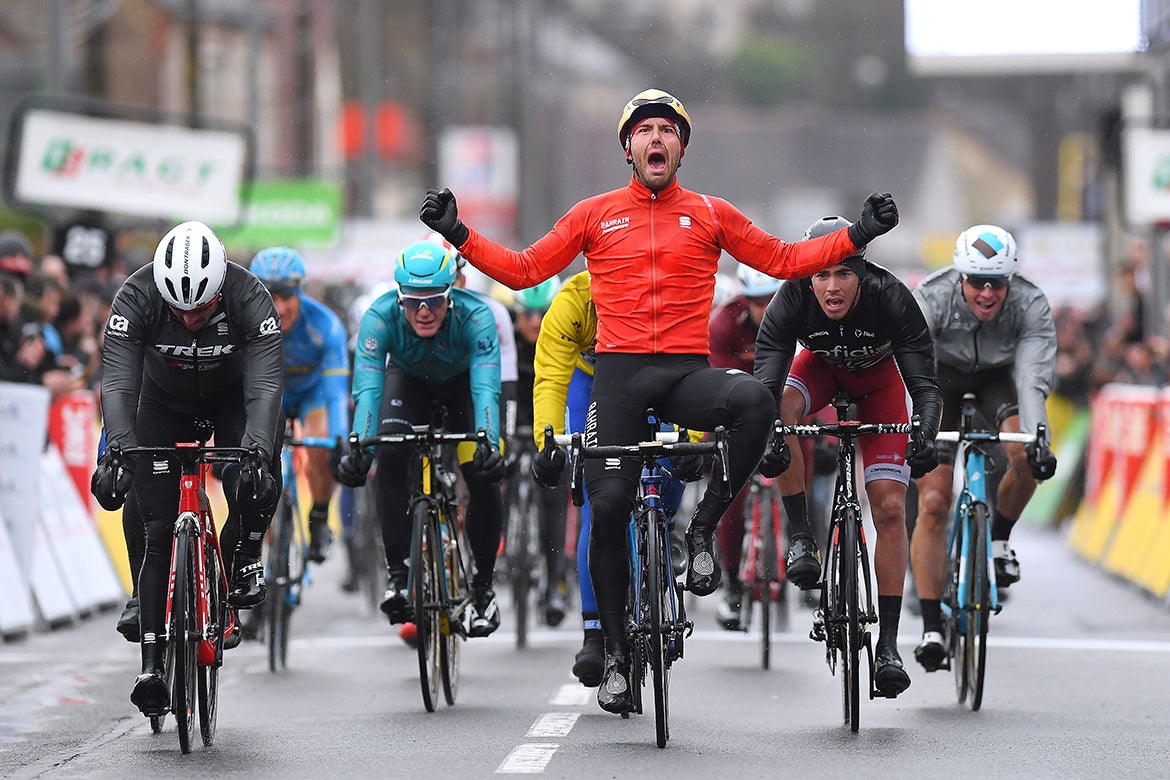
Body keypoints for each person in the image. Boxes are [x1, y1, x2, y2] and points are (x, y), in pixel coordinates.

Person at [419, 87, 900, 713]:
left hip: (684, 376)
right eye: (644, 130)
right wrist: (457, 231)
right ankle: (616, 653)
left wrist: (857, 234)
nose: (655, 138)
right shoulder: (594, 214)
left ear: (681, 147)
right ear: (627, 148)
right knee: (608, 505)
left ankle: (700, 532)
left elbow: (784, 259)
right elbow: (524, 269)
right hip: (616, 381)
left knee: (758, 401)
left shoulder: (708, 212)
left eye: (668, 131)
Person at [90, 220, 284, 715]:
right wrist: (116, 451)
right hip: (159, 401)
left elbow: (265, 389)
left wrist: (258, 450)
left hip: (232, 399)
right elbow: (115, 385)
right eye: (179, 309)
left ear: (220, 290)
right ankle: (152, 666)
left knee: (254, 478)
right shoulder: (136, 297)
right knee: (154, 520)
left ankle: (245, 553)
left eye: (200, 308)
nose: (190, 317)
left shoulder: (249, 297)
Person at [753, 215, 942, 698]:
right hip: (818, 371)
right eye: (822, 275)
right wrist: (771, 434)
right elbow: (766, 382)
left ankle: (890, 645)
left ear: (863, 273)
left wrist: (924, 431)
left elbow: (923, 384)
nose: (832, 287)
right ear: (808, 277)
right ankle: (801, 537)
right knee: (779, 410)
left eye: (843, 274)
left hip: (880, 384)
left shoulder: (890, 295)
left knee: (891, 507)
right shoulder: (792, 297)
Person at [530, 269, 701, 686]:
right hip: (590, 384)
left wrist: (691, 441)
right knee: (598, 505)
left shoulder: (665, 292)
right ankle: (594, 632)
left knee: (672, 456)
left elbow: (695, 371)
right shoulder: (573, 302)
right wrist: (547, 443)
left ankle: (666, 525)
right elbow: (552, 377)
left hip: (657, 374)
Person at [335, 239, 507, 638]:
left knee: (482, 475)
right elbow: (368, 388)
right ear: (399, 298)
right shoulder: (379, 317)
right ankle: (398, 575)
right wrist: (360, 445)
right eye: (413, 301)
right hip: (407, 383)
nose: (424, 311)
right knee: (389, 458)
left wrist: (491, 445)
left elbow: (486, 389)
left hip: (462, 387)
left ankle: (482, 588)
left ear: (452, 294)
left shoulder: (476, 316)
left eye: (434, 300)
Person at [909, 224, 1057, 671]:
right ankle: (932, 625)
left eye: (997, 283)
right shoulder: (932, 297)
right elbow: (912, 368)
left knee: (1024, 458)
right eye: (977, 281)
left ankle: (997, 542)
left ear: (1011, 280)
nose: (988, 293)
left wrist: (1039, 437)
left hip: (999, 379)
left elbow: (1032, 378)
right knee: (933, 501)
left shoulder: (1030, 303)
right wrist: (919, 428)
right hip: (941, 383)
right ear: (960, 278)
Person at [249, 247, 350, 564]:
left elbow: (335, 393)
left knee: (322, 446)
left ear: (300, 294)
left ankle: (319, 517)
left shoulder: (325, 326)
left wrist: (340, 440)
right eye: (269, 296)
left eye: (286, 297)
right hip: (271, 395)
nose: (278, 308)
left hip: (312, 395)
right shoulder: (245, 324)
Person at [706, 265, 782, 629]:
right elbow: (717, 385)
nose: (763, 308)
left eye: (769, 300)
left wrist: (827, 434)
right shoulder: (723, 323)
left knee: (811, 452)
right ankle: (732, 583)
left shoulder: (792, 315)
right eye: (756, 301)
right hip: (736, 409)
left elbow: (809, 374)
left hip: (781, 401)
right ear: (744, 299)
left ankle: (805, 547)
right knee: (730, 492)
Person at [510, 276, 572, 627]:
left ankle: (554, 582)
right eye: (528, 313)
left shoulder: (561, 337)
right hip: (516, 418)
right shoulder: (508, 339)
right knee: (494, 471)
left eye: (543, 313)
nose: (535, 321)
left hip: (552, 425)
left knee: (553, 496)